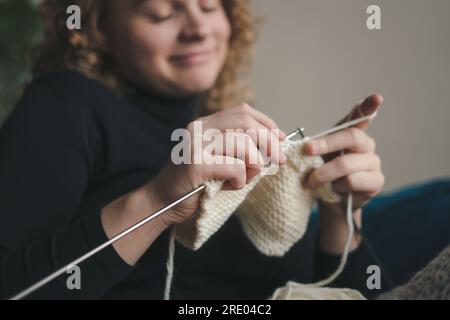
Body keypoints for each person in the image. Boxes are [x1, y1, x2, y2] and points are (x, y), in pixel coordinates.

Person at [1, 0, 393, 300]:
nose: (198, 28)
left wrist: (341, 215)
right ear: (100, 24)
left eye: (209, 5)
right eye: (162, 13)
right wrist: (156, 203)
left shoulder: (242, 144)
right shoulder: (67, 106)